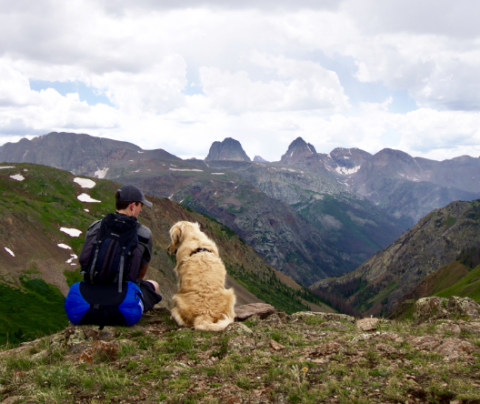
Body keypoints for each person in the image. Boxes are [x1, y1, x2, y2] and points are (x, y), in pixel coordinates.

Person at [82, 184, 162, 312]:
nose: (141, 210)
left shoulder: (96, 227)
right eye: (140, 205)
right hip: (121, 299)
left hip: (92, 295)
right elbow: (140, 275)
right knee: (154, 285)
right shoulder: (143, 233)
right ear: (132, 206)